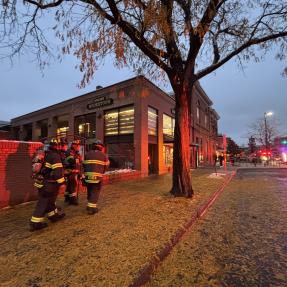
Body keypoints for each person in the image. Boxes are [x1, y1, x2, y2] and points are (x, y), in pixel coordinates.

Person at [29, 138, 66, 231]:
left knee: (50, 201)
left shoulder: (45, 154)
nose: (63, 147)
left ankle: (53, 216)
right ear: (58, 146)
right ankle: (35, 223)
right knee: (43, 202)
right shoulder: (55, 156)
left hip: (41, 182)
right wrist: (62, 183)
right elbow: (58, 173)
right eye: (61, 145)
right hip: (49, 184)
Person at [83, 139, 109, 215]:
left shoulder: (87, 154)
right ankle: (91, 209)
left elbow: (83, 165)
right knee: (95, 192)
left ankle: (89, 205)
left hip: (87, 177)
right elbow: (106, 166)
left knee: (90, 191)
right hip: (97, 178)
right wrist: (102, 172)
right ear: (101, 147)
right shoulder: (104, 155)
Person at [65, 139, 82, 205]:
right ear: (74, 145)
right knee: (73, 185)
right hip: (70, 171)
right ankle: (72, 200)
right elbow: (70, 160)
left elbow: (78, 162)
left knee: (69, 185)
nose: (79, 147)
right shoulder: (70, 152)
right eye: (78, 146)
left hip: (74, 171)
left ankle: (67, 197)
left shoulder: (75, 152)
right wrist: (78, 159)